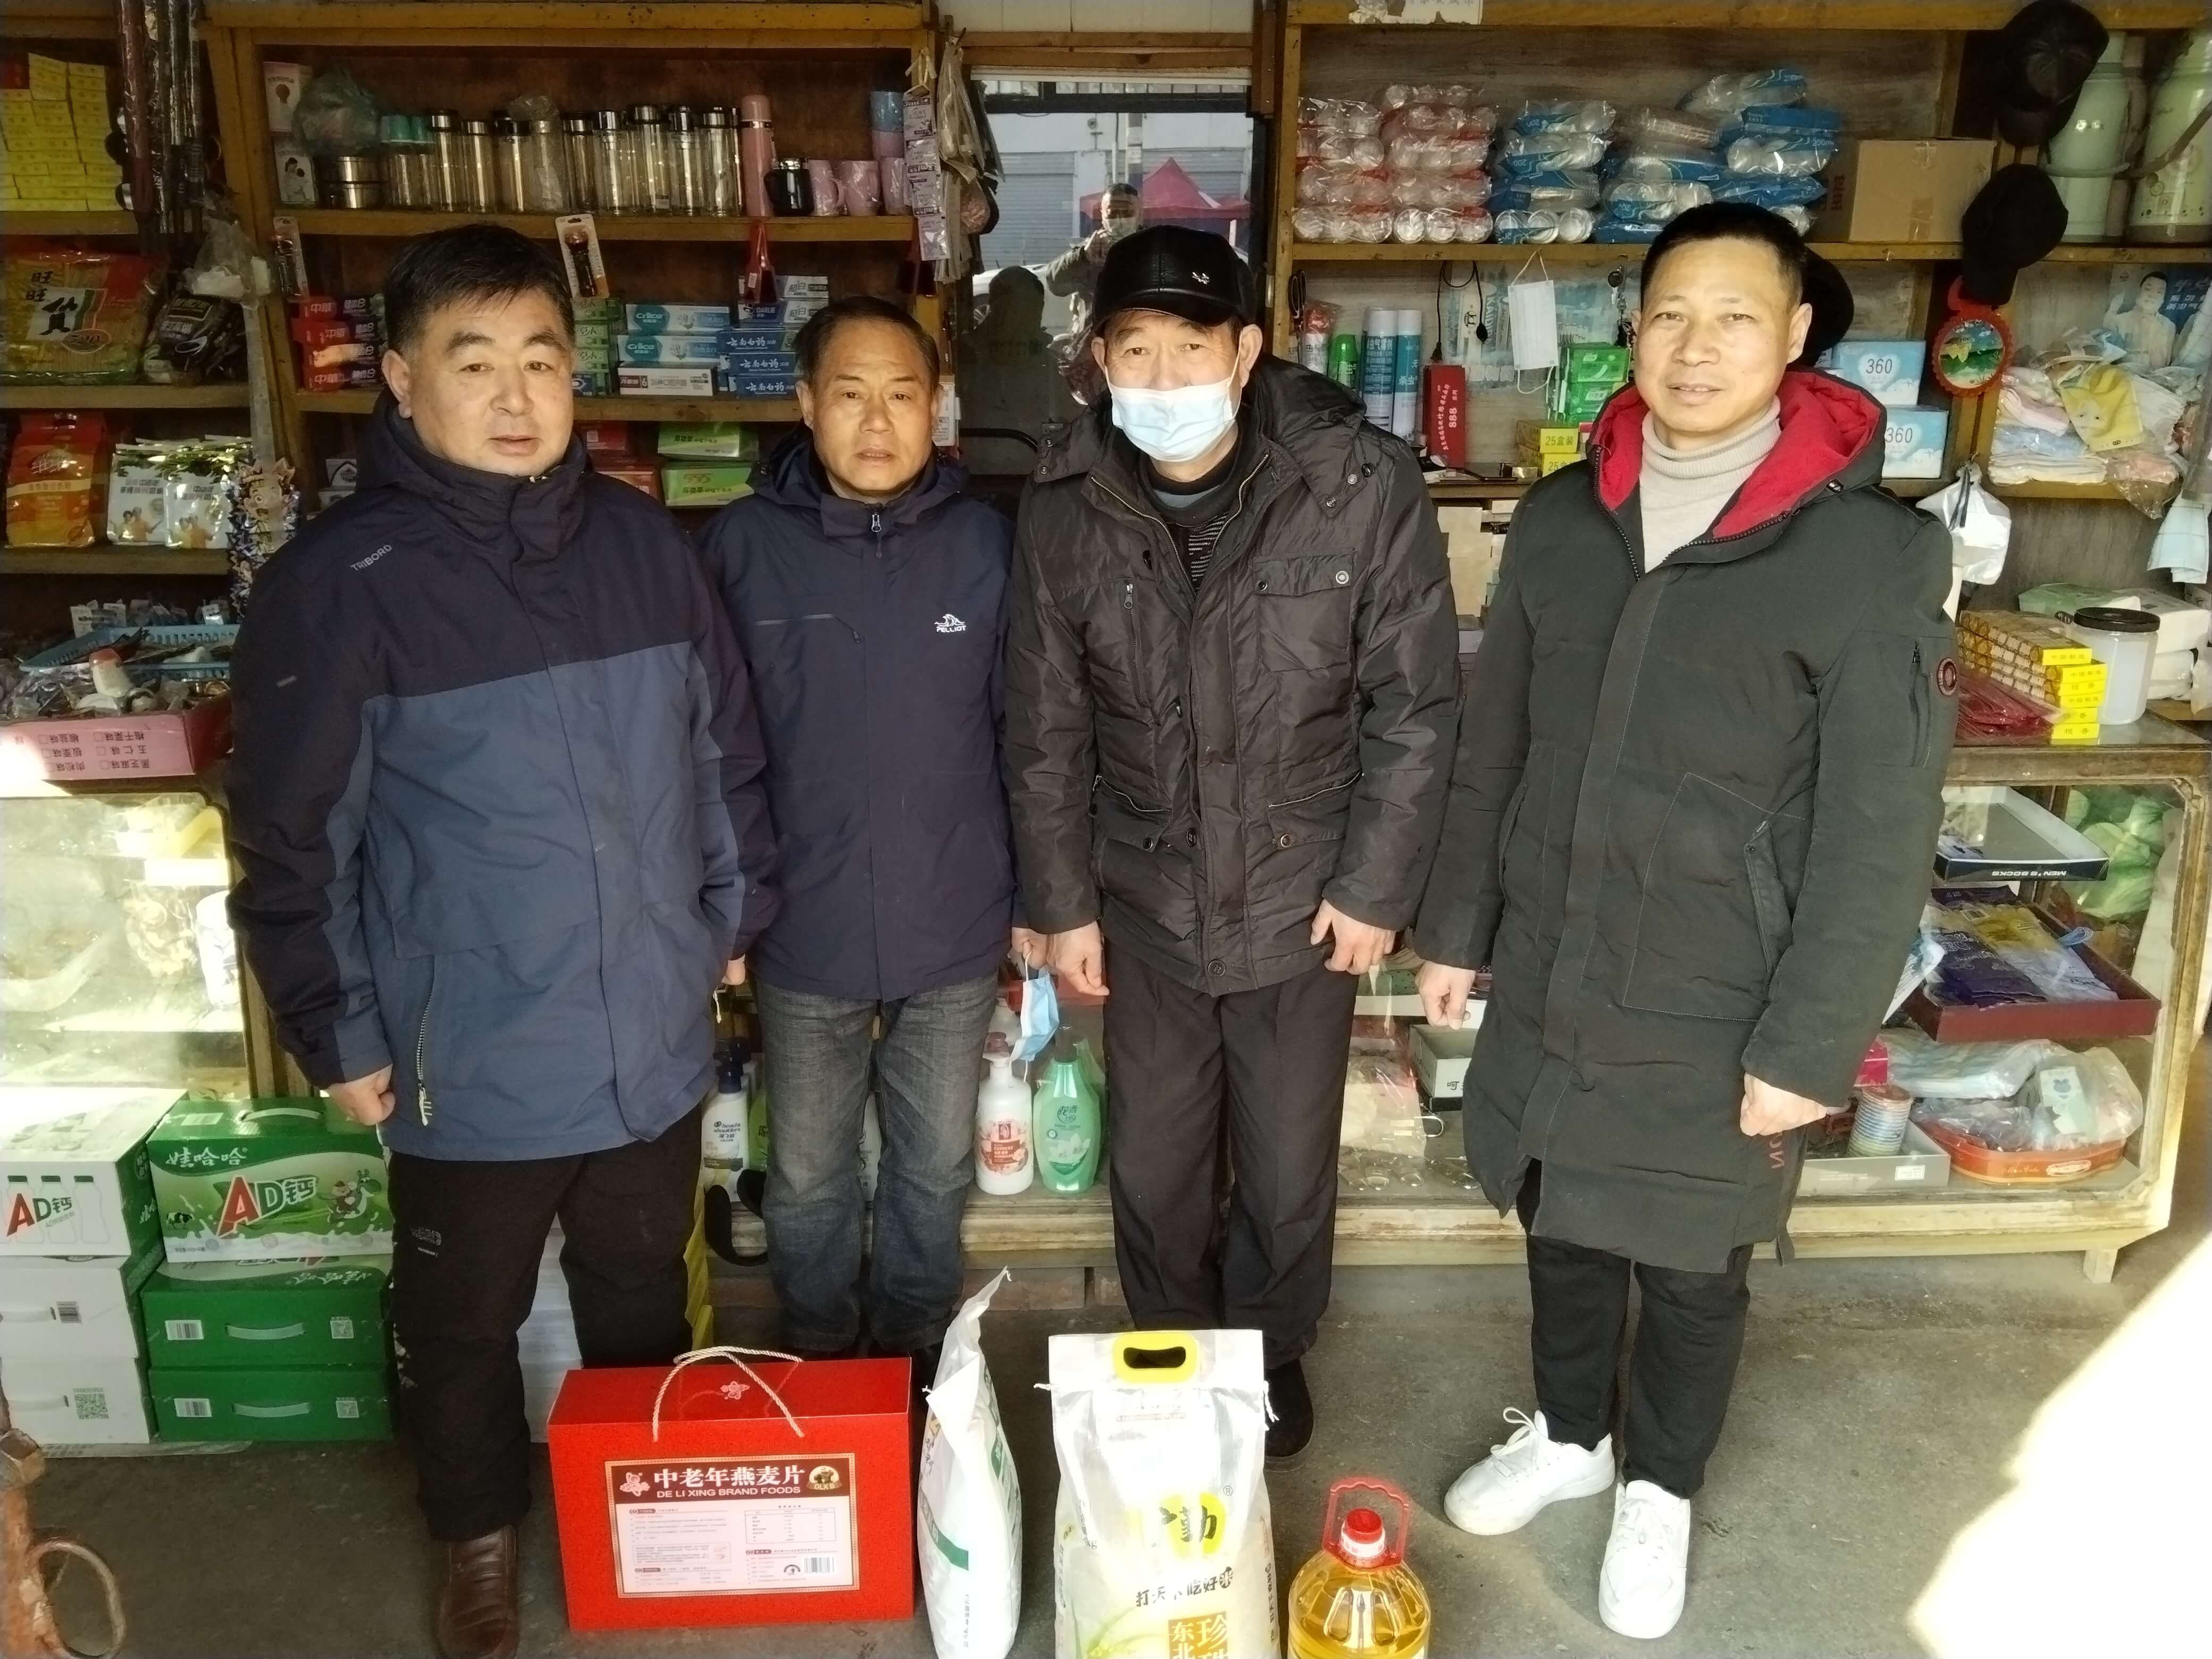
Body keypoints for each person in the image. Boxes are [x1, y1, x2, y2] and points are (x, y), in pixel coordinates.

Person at [226, 224, 776, 1659]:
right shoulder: (341, 584)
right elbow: (291, 837)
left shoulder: (646, 550)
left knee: (639, 1287)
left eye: (543, 357)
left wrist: (727, 922)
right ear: (405, 380)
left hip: (647, 1024)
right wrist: (334, 1026)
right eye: (476, 363)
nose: (518, 395)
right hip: (462, 1045)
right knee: (461, 1317)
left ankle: (640, 1508)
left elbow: (724, 756)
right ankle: (477, 1535)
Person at [1413, 203, 1957, 1641]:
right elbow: (1495, 740)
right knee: (1557, 1209)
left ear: (1796, 337)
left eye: (1734, 317)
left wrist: (1809, 1043)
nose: (1695, 346)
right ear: (1632, 332)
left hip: (1725, 979)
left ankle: (1658, 1484)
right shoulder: (1560, 520)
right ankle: (1571, 1437)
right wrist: (1458, 927)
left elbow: (1878, 826)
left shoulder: (1869, 557)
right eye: (1669, 314)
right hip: (1558, 947)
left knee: (1691, 1255)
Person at [1006, 225, 1460, 1463]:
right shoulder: (1065, 505)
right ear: (1099, 360)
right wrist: (1063, 901)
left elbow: (1415, 708)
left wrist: (1375, 886)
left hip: (1303, 899)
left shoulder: (1355, 485)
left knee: (1284, 1158)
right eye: (1134, 351)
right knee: (1155, 1158)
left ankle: (1266, 1349)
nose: (1163, 379)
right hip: (1143, 898)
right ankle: (1174, 1347)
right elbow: (1042, 727)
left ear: (1247, 351)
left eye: (1191, 348)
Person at [697, 296, 1038, 1368]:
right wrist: (731, 905)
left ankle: (912, 1355)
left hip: (953, 915)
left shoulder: (988, 546)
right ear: (807, 404)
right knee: (809, 1172)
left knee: (931, 1168)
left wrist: (1038, 900)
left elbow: (1030, 736)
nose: (878, 422)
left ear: (938, 405)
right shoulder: (740, 548)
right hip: (803, 921)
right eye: (850, 394)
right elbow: (710, 746)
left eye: (902, 394)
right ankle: (818, 1352)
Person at [1045, 181, 1141, 343]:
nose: (1120, 220)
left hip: (1139, 339)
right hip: (1093, 342)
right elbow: (1055, 283)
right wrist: (1084, 257)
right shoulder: (1091, 249)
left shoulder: (1152, 247)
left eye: (1127, 213)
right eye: (1112, 213)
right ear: (1102, 214)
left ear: (1139, 213)